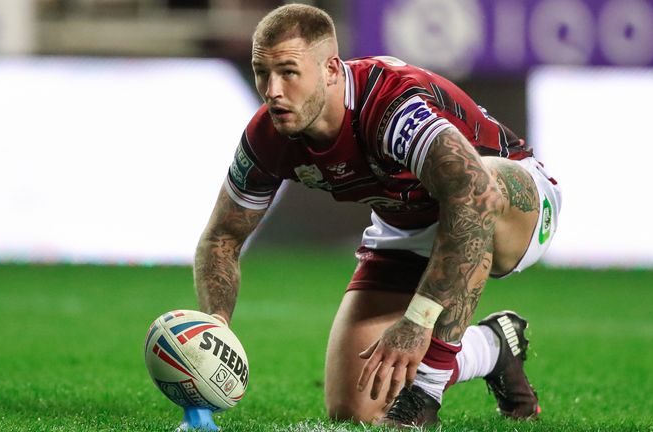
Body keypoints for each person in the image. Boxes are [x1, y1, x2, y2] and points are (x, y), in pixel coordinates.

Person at [193, 3, 561, 427]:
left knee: (475, 190)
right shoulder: (267, 135)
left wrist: (420, 322)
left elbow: (474, 195)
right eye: (262, 73)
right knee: (355, 408)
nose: (272, 90)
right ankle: (495, 347)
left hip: (517, 200)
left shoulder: (388, 106)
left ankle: (427, 390)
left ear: (331, 68)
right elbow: (221, 237)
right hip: (406, 223)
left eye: (289, 72)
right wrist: (216, 325)